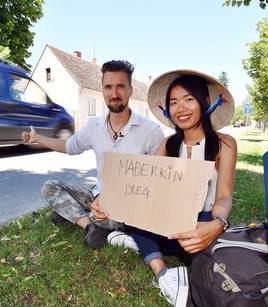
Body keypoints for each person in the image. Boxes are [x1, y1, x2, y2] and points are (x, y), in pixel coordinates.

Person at [97, 69, 237, 306]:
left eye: (188, 99)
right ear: (168, 109)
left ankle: (143, 244)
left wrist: (217, 224)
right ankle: (163, 272)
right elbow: (148, 189)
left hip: (202, 222)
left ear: (204, 103)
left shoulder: (224, 144)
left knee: (212, 257)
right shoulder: (167, 144)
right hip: (169, 221)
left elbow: (223, 197)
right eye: (174, 102)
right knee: (135, 219)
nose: (180, 108)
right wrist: (106, 199)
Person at [22, 60, 165, 249]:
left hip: (127, 204)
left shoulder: (151, 131)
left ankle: (71, 213)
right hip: (96, 195)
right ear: (103, 90)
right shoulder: (93, 126)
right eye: (108, 87)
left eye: (121, 86)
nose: (114, 94)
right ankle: (88, 225)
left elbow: (159, 179)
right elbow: (69, 146)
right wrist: (37, 138)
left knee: (116, 219)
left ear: (131, 90)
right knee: (49, 188)